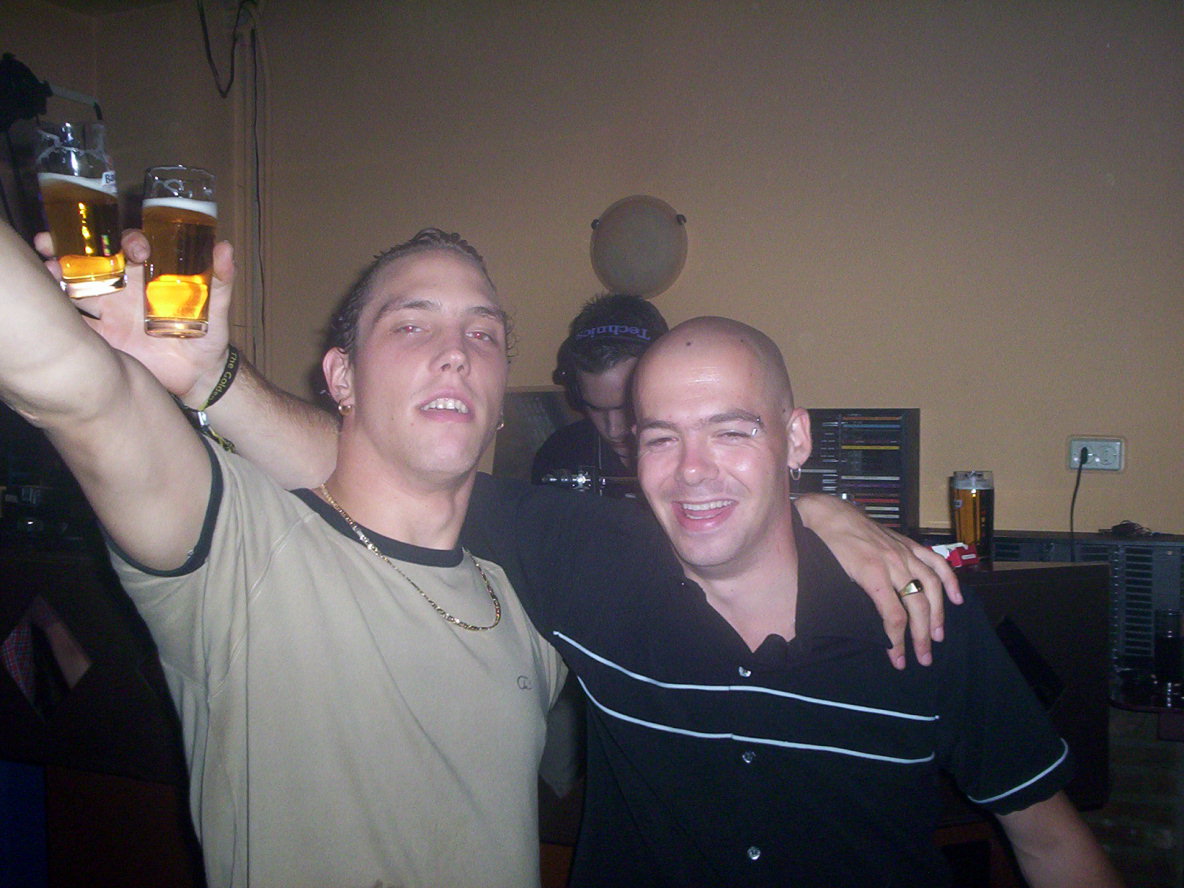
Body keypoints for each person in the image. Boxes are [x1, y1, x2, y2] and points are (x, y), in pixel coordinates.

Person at [20, 223, 958, 885]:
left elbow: (717, 541)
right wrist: (132, 356)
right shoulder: (239, 545)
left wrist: (812, 510)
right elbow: (77, 388)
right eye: (412, 324)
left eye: (483, 332)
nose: (456, 351)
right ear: (340, 376)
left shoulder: (533, 591)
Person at [512, 315, 1117, 886]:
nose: (691, 471)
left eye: (731, 432)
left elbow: (1049, 841)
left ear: (796, 438)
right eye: (662, 438)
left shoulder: (917, 607)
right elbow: (458, 489)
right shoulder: (595, 569)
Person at [531, 293, 667, 491]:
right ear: (576, 394)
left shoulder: (699, 455)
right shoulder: (559, 456)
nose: (614, 430)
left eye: (627, 407)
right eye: (595, 408)